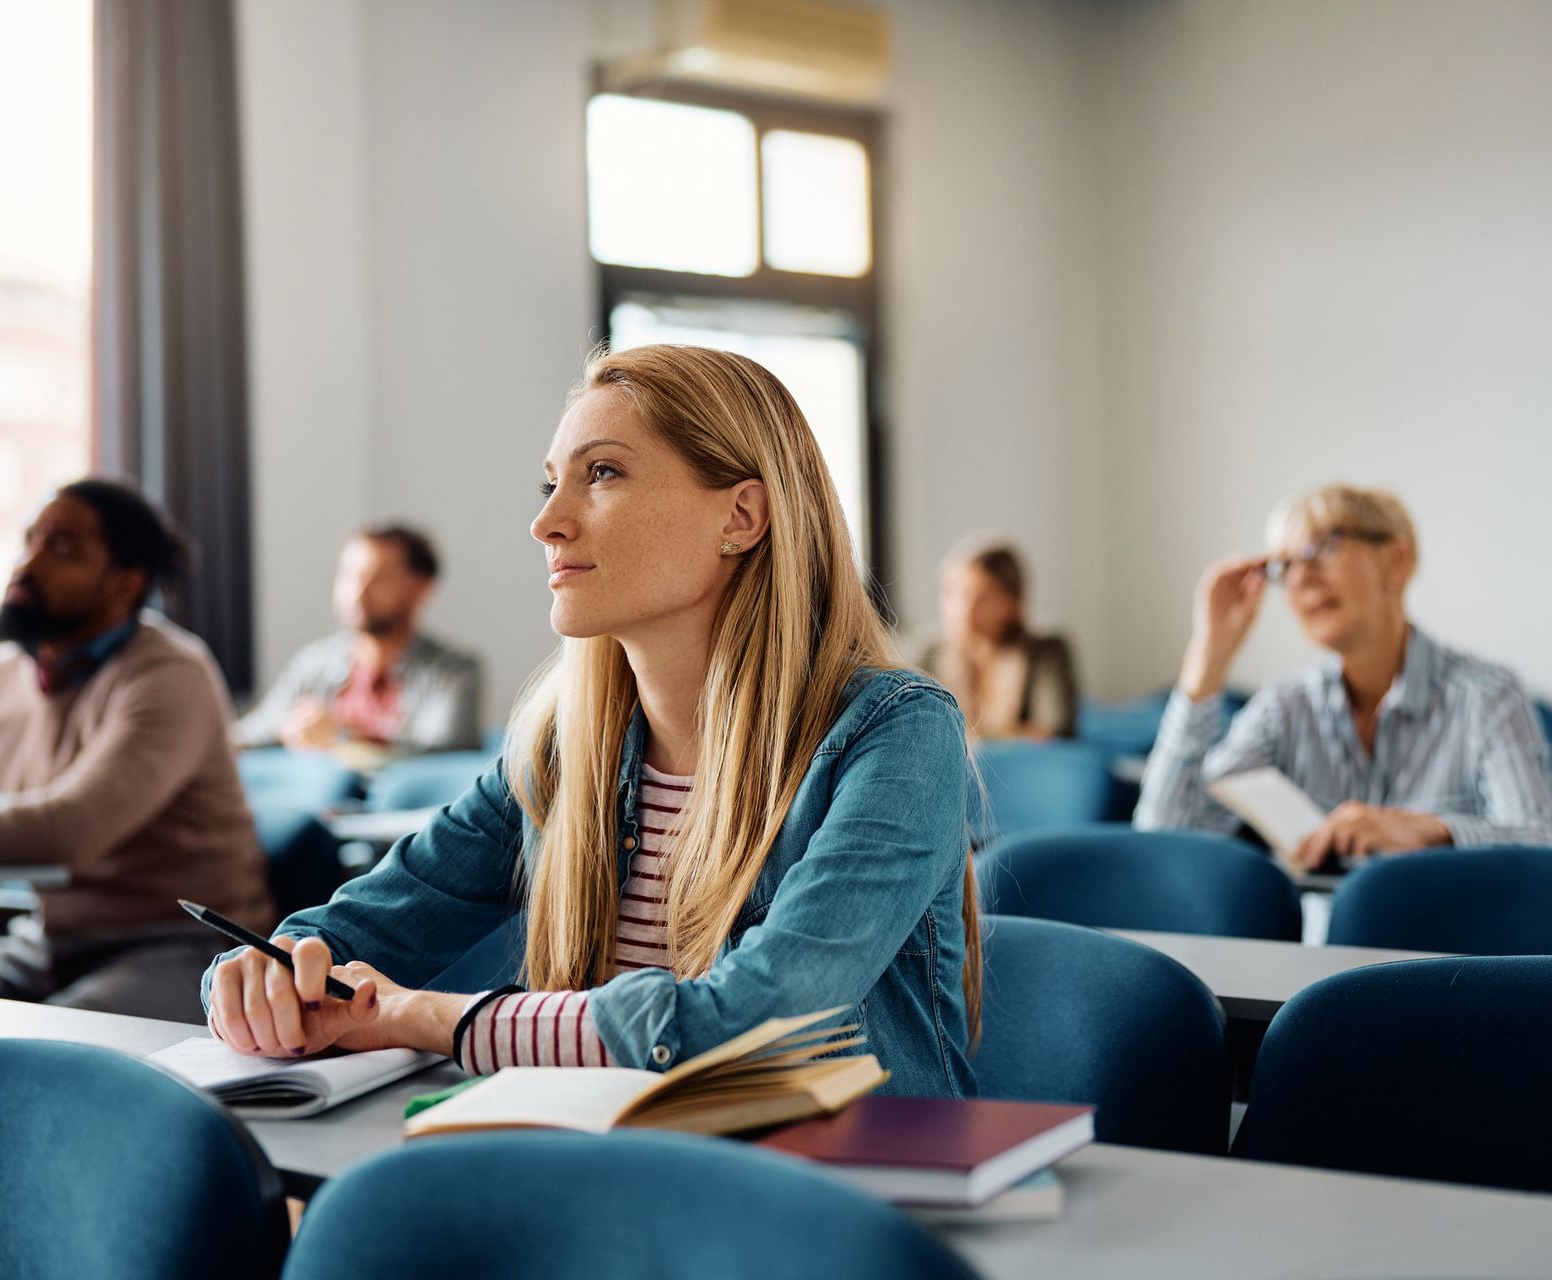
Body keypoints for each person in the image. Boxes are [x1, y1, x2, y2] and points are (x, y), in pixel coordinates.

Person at [203, 346, 980, 1098]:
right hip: (602, 1169)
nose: (547, 524)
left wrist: (434, 1019)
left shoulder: (899, 734)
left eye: (601, 473)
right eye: (549, 485)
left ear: (742, 516)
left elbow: (757, 1019)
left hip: (842, 1193)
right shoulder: (562, 750)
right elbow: (348, 932)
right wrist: (261, 978)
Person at [0, 478, 273, 1021]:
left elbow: (70, 828)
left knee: (41, 1057)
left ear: (124, 584)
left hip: (180, 950)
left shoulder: (169, 674)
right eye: (30, 540)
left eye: (62, 548)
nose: (28, 563)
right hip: (45, 947)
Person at [1135, 484, 1552, 869]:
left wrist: (1434, 831)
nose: (1301, 577)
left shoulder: (1487, 696)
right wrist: (1208, 657)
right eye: (1284, 566)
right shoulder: (1284, 706)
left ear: (1396, 562)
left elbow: (1546, 846)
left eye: (1324, 547)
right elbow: (1165, 836)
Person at [236, 524, 481, 757]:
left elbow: (448, 753)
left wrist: (345, 736)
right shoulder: (312, 663)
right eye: (349, 575)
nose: (357, 592)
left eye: (378, 578)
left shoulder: (454, 672)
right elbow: (251, 733)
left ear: (421, 587)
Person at [921, 539, 1079, 739]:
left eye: (982, 597)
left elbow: (1056, 730)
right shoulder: (928, 652)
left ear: (1013, 602)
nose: (964, 608)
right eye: (953, 593)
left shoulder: (1046, 651)